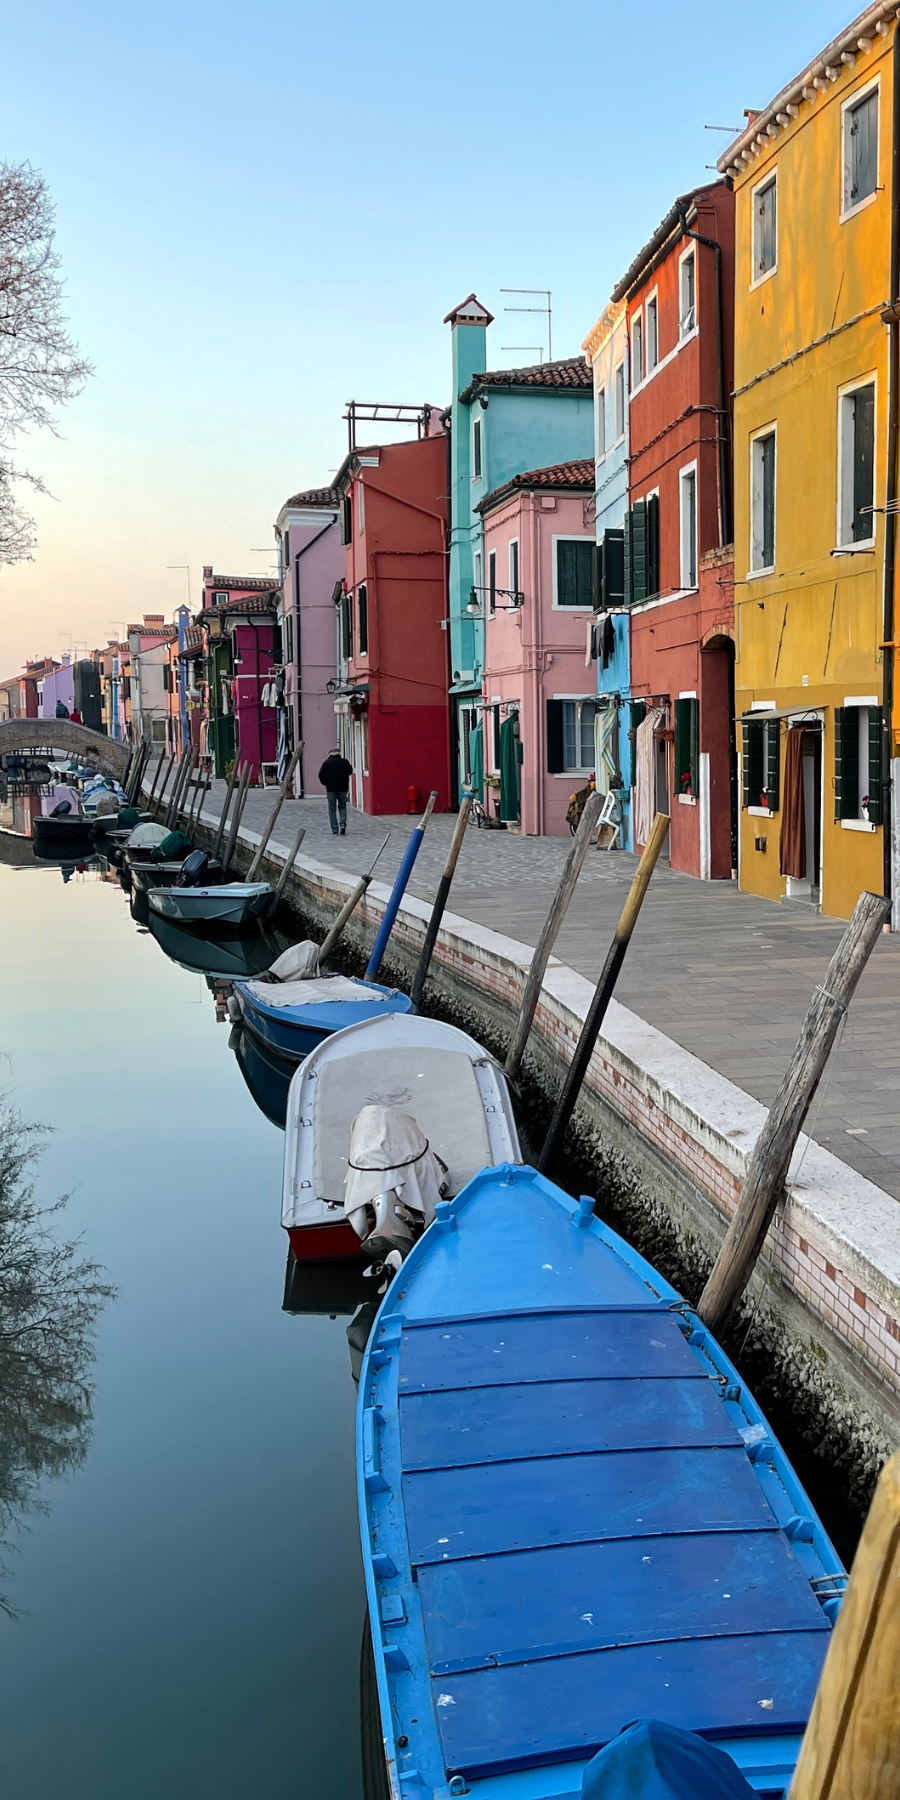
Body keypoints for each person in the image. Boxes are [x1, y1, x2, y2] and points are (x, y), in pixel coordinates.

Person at [318, 746, 353, 835]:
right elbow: (350, 771)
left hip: (331, 790)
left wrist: (326, 784)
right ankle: (343, 825)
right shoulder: (344, 762)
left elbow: (321, 776)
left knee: (332, 809)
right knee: (342, 807)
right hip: (343, 788)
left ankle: (334, 829)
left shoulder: (326, 763)